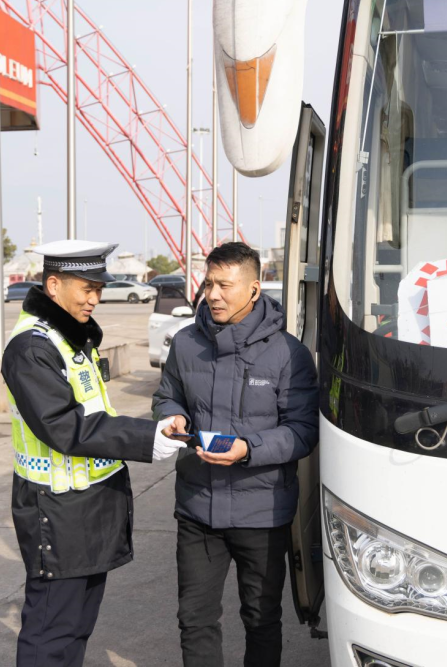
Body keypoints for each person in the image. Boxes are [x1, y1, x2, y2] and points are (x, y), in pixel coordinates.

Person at [1, 239, 187, 667]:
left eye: (98, 289)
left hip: (84, 506)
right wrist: (145, 437)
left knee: (76, 626)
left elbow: (95, 413)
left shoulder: (70, 338)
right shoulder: (33, 347)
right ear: (53, 285)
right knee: (51, 632)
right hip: (56, 509)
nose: (94, 299)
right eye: (86, 289)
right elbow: (62, 425)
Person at [153, 242, 319, 667]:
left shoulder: (289, 354)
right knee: (194, 618)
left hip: (262, 512)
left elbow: (302, 431)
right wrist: (171, 415)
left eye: (225, 285)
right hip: (197, 507)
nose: (213, 294)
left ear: (254, 289)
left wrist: (248, 449)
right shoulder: (186, 343)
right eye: (209, 283)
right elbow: (167, 395)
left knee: (261, 619)